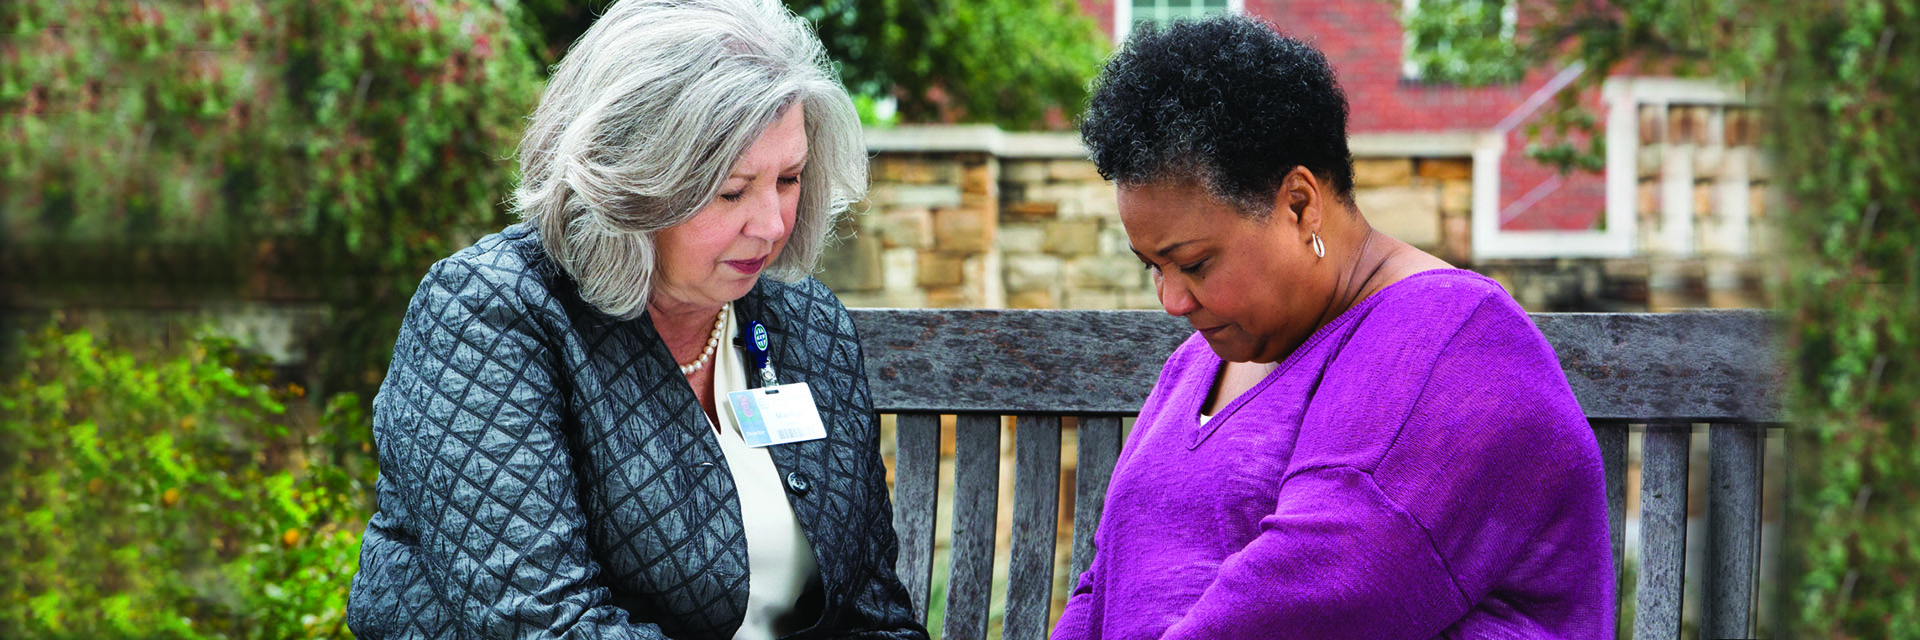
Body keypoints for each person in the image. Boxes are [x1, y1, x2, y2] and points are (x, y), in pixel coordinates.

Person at [345, 1, 926, 638]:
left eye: (788, 179)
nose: (771, 225)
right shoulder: (491, 313)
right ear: (630, 182)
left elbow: (875, 612)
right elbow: (546, 621)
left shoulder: (807, 325)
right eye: (730, 191)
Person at [1051, 16, 1614, 640]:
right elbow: (1104, 583)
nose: (1173, 300)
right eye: (1152, 267)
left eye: (1194, 263)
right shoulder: (1195, 363)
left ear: (1299, 203)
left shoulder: (1456, 341)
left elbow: (1321, 589)